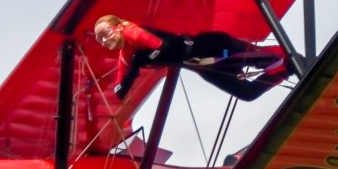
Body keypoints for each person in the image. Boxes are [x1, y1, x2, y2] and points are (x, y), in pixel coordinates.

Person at [92, 14, 290, 102]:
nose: (102, 40)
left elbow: (161, 46)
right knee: (248, 94)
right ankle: (282, 71)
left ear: (118, 27)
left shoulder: (132, 32)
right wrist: (125, 79)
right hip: (203, 66)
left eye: (105, 33)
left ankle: (282, 57)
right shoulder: (127, 53)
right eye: (99, 39)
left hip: (212, 47)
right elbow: (120, 89)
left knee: (263, 57)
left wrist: (137, 63)